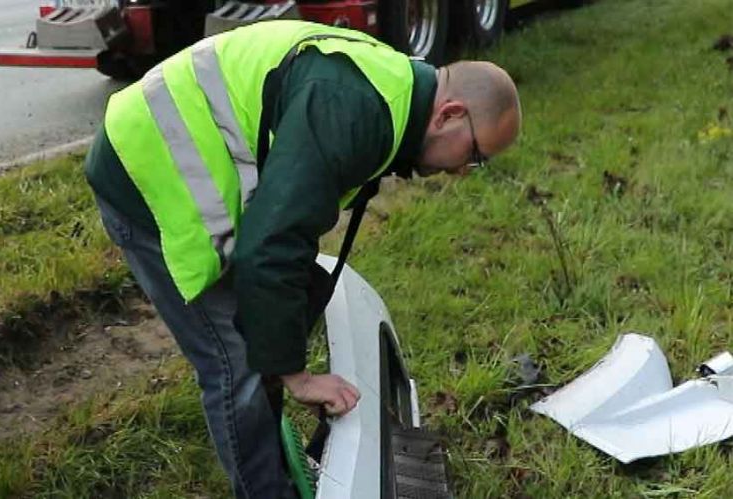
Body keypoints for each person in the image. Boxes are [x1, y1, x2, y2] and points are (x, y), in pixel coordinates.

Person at [84, 19, 520, 499]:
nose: (463, 171)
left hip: (176, 154)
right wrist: (297, 376)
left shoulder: (392, 93)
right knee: (234, 362)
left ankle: (268, 452)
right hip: (148, 172)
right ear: (449, 114)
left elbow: (290, 230)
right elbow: (271, 247)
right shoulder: (353, 113)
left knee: (266, 320)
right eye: (475, 155)